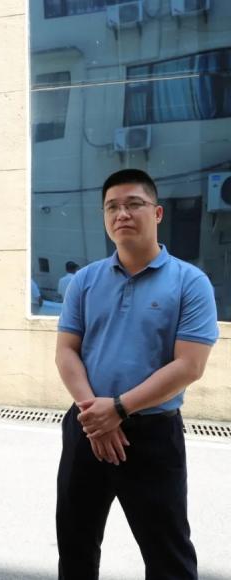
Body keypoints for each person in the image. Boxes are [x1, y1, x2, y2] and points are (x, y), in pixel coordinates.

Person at [55, 169, 218, 580]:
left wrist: (119, 408)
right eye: (112, 207)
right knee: (75, 546)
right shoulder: (85, 281)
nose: (122, 214)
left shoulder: (190, 282)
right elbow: (66, 351)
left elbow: (189, 365)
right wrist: (95, 414)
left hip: (152, 435)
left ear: (157, 213)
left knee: (168, 556)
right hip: (87, 427)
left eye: (133, 204)